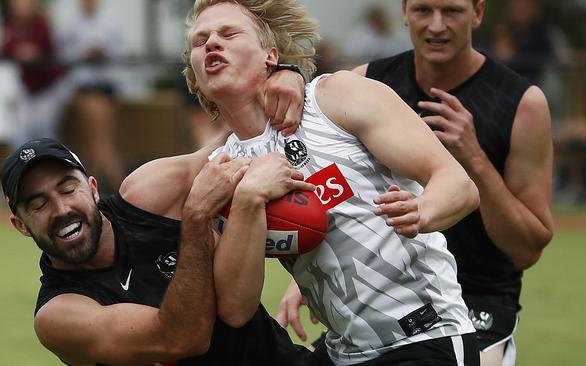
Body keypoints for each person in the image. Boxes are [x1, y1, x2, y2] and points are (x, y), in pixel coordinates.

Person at [182, 1, 481, 365]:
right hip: (343, 353)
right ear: (194, 77)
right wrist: (247, 198)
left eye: (229, 34)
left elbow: (458, 185)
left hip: (424, 339)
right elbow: (235, 310)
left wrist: (422, 210)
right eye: (201, 41)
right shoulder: (221, 172)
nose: (212, 43)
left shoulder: (334, 99)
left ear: (270, 56)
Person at [275, 1, 554, 365]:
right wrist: (305, 279)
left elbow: (527, 249)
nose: (436, 26)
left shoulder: (522, 102)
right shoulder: (364, 83)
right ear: (404, 12)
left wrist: (474, 160)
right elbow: (336, 192)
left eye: (452, 11)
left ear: (478, 13)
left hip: (476, 302)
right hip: (390, 299)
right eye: (423, 10)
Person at [0, 136, 325, 365]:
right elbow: (182, 339)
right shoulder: (59, 314)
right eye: (38, 205)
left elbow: (240, 136)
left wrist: (285, 76)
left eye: (68, 189)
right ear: (22, 225)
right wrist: (197, 216)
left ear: (93, 188)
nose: (61, 209)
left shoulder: (149, 197)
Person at [58, 0, 126, 192]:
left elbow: (121, 51)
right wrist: (83, 53)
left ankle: (88, 191)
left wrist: (104, 52)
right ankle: (121, 189)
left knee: (98, 143)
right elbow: (62, 55)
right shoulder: (70, 25)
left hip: (106, 87)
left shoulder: (110, 23)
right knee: (101, 142)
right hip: (86, 88)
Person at [0, 0, 72, 149]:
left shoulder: (42, 23)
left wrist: (34, 53)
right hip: (28, 87)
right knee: (20, 133)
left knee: (45, 133)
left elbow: (50, 50)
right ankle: (24, 170)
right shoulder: (11, 25)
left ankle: (50, 170)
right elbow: (4, 50)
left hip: (49, 86)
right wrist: (19, 52)